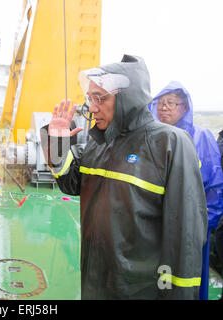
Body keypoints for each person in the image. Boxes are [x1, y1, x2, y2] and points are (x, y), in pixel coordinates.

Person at [41, 54, 208, 299]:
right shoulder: (99, 142)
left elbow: (185, 236)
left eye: (101, 98)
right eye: (91, 98)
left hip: (141, 290)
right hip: (95, 283)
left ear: (126, 98)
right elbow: (71, 182)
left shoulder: (170, 143)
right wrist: (56, 143)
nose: (93, 107)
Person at [148, 82, 223, 299]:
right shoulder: (151, 138)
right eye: (161, 103)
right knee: (158, 280)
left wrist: (201, 226)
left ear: (185, 107)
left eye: (171, 103)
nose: (164, 108)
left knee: (188, 280)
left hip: (192, 229)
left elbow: (215, 185)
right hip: (156, 228)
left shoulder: (202, 138)